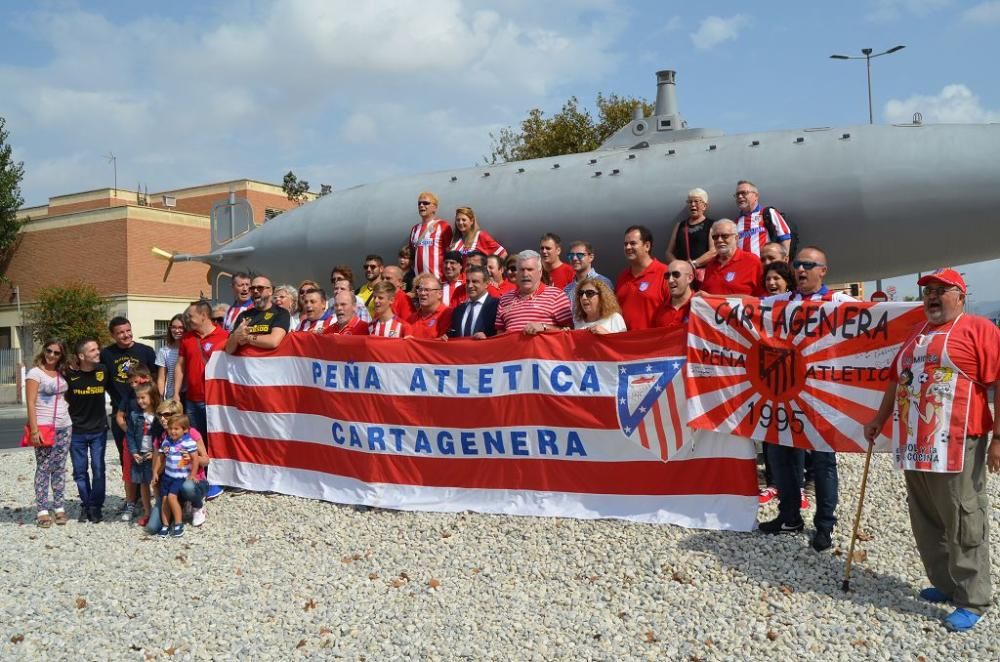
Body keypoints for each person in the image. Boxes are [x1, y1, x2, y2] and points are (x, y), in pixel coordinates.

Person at [864, 268, 1000, 632]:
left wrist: (998, 438)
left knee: (963, 517)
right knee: (926, 518)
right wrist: (879, 418)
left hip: (959, 440)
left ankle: (973, 597)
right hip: (915, 444)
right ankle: (946, 583)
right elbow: (896, 379)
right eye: (928, 291)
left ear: (960, 295)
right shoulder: (917, 335)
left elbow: (998, 381)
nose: (932, 297)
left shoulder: (979, 330)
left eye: (941, 291)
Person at [758, 246, 853, 551]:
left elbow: (877, 318)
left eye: (808, 265)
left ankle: (824, 526)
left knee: (823, 461)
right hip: (785, 393)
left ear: (823, 270)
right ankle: (789, 517)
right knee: (781, 456)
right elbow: (741, 309)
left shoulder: (838, 301)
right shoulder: (782, 302)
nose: (800, 269)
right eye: (797, 264)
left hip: (823, 396)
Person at [101, 316, 156, 510]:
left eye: (127, 330)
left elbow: (157, 379)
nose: (125, 335)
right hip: (121, 414)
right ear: (113, 335)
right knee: (128, 458)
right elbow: (100, 378)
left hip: (146, 415)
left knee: (150, 455)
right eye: (120, 333)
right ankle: (132, 499)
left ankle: (152, 495)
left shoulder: (146, 351)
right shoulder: (106, 354)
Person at [176, 300, 229, 500]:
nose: (187, 320)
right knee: (197, 441)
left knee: (215, 439)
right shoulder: (187, 338)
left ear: (204, 316)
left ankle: (217, 480)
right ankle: (202, 477)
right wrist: (175, 393)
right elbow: (180, 367)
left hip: (215, 400)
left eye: (190, 316)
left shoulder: (224, 336)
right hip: (192, 399)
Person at [144, 400, 210, 533]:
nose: (163, 418)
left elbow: (206, 460)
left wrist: (191, 459)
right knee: (152, 527)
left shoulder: (192, 434)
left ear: (177, 414)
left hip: (193, 480)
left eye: (167, 415)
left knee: (187, 487)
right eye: (160, 415)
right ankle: (180, 507)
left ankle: (197, 505)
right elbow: (157, 466)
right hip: (171, 483)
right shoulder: (162, 438)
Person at [25, 339, 72, 528]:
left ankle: (59, 507)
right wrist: (34, 430)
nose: (51, 355)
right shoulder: (35, 373)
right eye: (49, 351)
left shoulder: (62, 372)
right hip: (44, 427)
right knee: (44, 467)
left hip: (64, 425)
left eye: (56, 353)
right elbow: (30, 402)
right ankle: (42, 510)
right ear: (44, 351)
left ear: (61, 355)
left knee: (59, 467)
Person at [65, 338, 108, 523]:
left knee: (98, 469)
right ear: (81, 356)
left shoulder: (103, 370)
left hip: (99, 430)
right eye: (92, 350)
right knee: (80, 471)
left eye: (97, 349)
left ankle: (95, 506)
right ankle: (86, 504)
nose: (97, 352)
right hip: (76, 432)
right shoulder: (68, 374)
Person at [495, 250, 573, 335]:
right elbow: (500, 335)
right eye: (521, 270)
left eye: (530, 269)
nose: (525, 274)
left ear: (540, 272)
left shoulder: (556, 295)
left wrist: (544, 327)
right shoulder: (504, 299)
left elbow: (569, 330)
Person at [152, 414, 200, 538]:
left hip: (180, 477)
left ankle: (178, 523)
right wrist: (155, 473)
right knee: (164, 500)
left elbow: (195, 459)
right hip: (168, 476)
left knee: (172, 497)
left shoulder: (188, 442)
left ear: (184, 430)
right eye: (170, 428)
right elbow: (160, 458)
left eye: (176, 429)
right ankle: (165, 525)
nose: (172, 431)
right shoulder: (167, 441)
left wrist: (193, 474)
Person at [615, 225, 670, 330]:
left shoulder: (665, 273)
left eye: (633, 243)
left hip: (653, 343)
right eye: (625, 244)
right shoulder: (623, 276)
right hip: (625, 342)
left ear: (647, 246)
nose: (628, 247)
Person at [226, 275, 291, 354]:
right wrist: (236, 335)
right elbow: (228, 349)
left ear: (270, 291)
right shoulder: (243, 315)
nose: (255, 291)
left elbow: (273, 341)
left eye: (260, 288)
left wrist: (247, 338)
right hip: (244, 365)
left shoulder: (281, 313)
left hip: (268, 364)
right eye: (252, 288)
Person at [126, 382, 161, 527]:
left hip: (154, 455)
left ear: (152, 397)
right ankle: (147, 512)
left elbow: (161, 438)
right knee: (143, 483)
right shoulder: (135, 416)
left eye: (143, 398)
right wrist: (133, 452)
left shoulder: (159, 417)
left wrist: (155, 453)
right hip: (140, 455)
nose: (140, 401)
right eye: (138, 398)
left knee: (157, 483)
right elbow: (130, 435)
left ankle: (160, 511)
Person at [700, 219, 765, 296]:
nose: (719, 240)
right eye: (715, 237)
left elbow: (762, 297)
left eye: (725, 236)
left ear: (736, 238)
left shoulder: (752, 261)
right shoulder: (710, 265)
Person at [733, 180, 792, 259]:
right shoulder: (735, 222)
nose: (740, 196)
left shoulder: (768, 213)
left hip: (765, 266)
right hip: (745, 268)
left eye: (744, 193)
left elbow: (785, 237)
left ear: (756, 196)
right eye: (737, 194)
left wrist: (783, 261)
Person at [666, 188, 716, 279]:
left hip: (703, 275)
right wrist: (679, 267)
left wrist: (694, 263)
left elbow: (713, 251)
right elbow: (669, 252)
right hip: (681, 276)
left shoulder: (711, 225)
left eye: (696, 201)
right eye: (689, 202)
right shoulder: (680, 225)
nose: (692, 204)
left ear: (704, 206)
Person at [409, 191, 452, 280]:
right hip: (419, 283)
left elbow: (450, 254)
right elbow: (412, 254)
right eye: (419, 203)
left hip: (438, 281)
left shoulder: (443, 226)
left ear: (435, 208)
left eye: (426, 203)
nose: (421, 205)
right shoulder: (414, 229)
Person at [447, 266, 498, 338]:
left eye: (475, 281)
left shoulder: (497, 306)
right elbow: (454, 336)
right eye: (467, 282)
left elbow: (502, 336)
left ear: (486, 284)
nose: (470, 286)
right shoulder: (458, 310)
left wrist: (487, 338)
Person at [406, 274, 453, 339]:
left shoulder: (448, 314)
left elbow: (444, 344)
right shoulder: (411, 319)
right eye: (420, 290)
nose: (422, 293)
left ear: (439, 294)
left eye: (427, 290)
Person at [651, 260, 695, 330]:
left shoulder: (700, 306)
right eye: (667, 276)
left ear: (689, 278)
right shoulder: (659, 311)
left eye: (676, 275)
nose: (670, 280)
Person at [155, 314, 185, 402]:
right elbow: (161, 378)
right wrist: (160, 398)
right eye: (173, 327)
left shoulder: (192, 348)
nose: (177, 330)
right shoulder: (164, 351)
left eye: (181, 327)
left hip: (190, 396)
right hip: (171, 397)